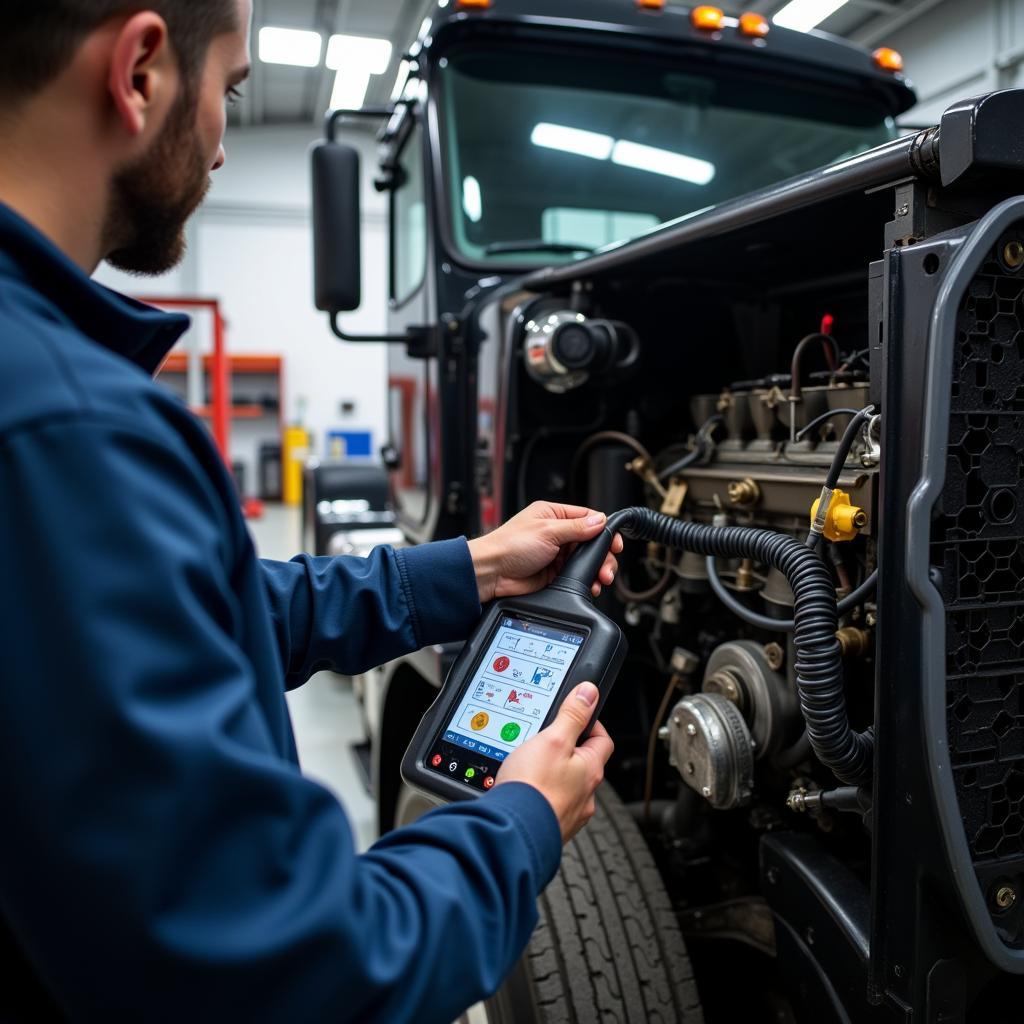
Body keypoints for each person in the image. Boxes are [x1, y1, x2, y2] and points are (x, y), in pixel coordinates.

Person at [0, 2, 623, 1020]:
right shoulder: (68, 429)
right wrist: (521, 820)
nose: (222, 143)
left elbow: (203, 613)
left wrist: (461, 569)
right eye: (230, 92)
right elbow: (293, 972)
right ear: (141, 70)